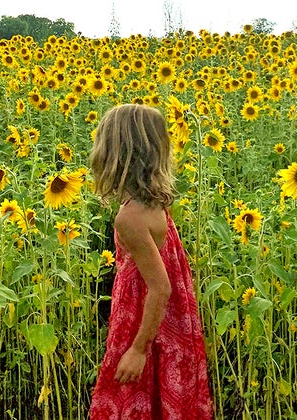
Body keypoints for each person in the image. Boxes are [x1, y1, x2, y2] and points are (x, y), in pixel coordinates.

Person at [89, 104, 213, 419]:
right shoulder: (153, 205)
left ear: (114, 154)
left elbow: (160, 288)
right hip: (167, 325)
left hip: (142, 325)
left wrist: (138, 349)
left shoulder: (129, 217)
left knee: (127, 403)